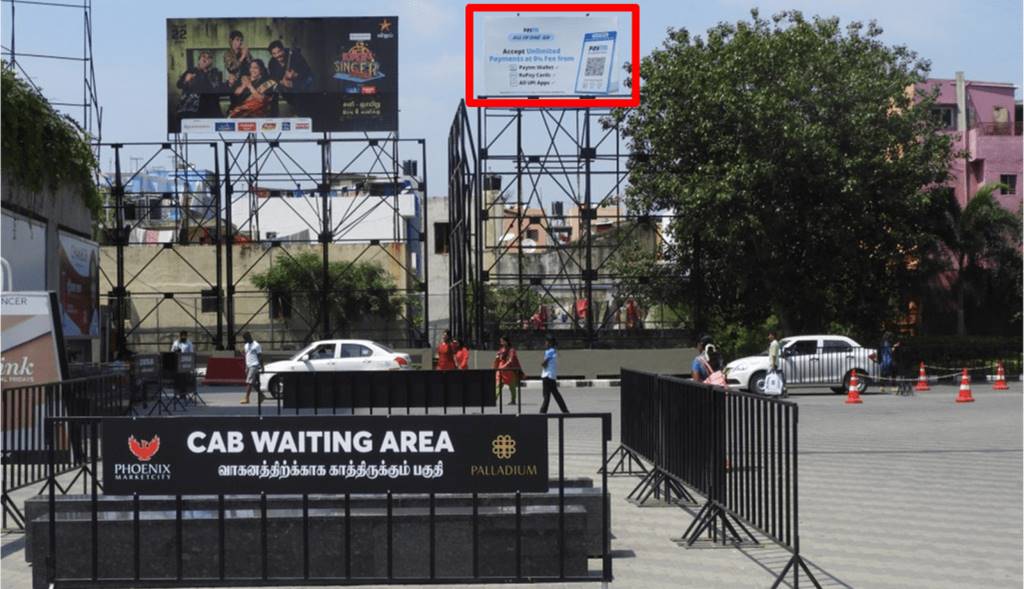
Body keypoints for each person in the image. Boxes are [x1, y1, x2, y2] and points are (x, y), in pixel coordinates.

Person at [176, 51, 225, 118]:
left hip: (211, 108)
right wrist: (185, 80)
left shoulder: (215, 73)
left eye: (209, 57)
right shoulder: (191, 71)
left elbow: (218, 88)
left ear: (211, 61)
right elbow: (179, 85)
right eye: (203, 56)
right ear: (199, 60)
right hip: (192, 108)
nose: (205, 59)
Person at [540, 336, 569, 413]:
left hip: (547, 376)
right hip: (551, 376)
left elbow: (544, 363)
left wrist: (542, 364)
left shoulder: (550, 351)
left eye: (546, 342)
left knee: (546, 396)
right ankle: (564, 410)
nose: (545, 343)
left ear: (550, 343)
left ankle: (542, 412)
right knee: (556, 394)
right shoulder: (554, 351)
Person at [494, 335, 524, 405]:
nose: (501, 342)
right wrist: (497, 357)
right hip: (501, 371)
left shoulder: (511, 350)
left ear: (506, 341)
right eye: (500, 341)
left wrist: (504, 366)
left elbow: (511, 360)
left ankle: (513, 400)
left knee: (512, 386)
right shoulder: (501, 350)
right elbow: (498, 359)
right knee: (498, 386)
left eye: (502, 341)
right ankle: (493, 399)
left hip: (509, 371)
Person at [240, 331, 264, 404]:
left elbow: (260, 356)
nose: (245, 340)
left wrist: (262, 367)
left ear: (249, 337)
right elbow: (247, 356)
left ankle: (247, 398)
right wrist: (246, 366)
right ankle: (261, 395)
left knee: (249, 382)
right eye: (244, 339)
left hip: (255, 365)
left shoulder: (256, 345)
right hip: (249, 365)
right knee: (253, 383)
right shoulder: (246, 345)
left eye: (246, 338)